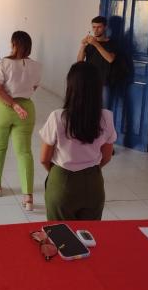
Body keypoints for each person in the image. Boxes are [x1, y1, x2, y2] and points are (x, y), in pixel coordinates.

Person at [39, 62, 116, 220]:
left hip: (62, 181)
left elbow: (44, 159)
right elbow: (107, 157)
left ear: (71, 87)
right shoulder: (106, 117)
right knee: (89, 237)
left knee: (61, 238)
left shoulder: (58, 117)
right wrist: (89, 171)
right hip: (94, 182)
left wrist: (58, 175)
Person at [0, 31, 41, 211]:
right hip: (26, 109)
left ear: (13, 44)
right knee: (24, 152)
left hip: (3, 108)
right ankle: (28, 197)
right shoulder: (36, 66)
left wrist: (12, 104)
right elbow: (33, 87)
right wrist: (20, 104)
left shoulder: (4, 63)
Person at [77, 15, 116, 108]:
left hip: (104, 82)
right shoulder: (89, 43)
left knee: (104, 109)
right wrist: (83, 45)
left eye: (99, 27)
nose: (96, 30)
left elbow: (110, 59)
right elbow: (79, 61)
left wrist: (96, 44)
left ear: (105, 27)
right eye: (94, 27)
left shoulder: (111, 43)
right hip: (89, 80)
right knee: (87, 107)